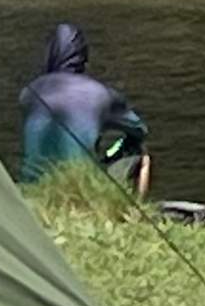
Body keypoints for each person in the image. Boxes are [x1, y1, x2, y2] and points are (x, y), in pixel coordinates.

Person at [15, 23, 149, 191]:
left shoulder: (28, 93)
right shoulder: (101, 93)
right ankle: (135, 210)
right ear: (83, 58)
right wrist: (112, 152)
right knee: (140, 151)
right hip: (80, 188)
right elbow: (140, 130)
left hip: (30, 187)